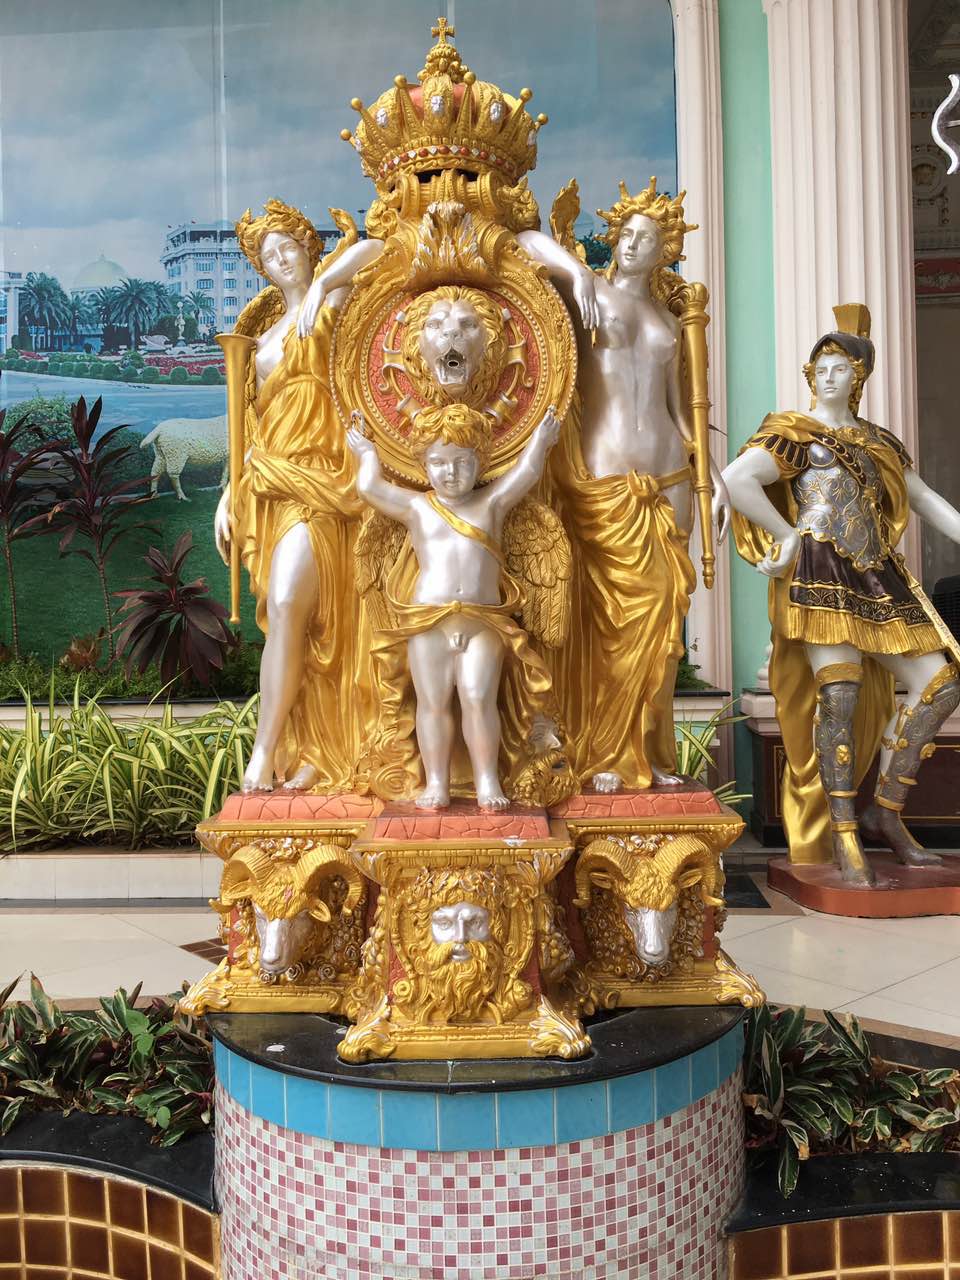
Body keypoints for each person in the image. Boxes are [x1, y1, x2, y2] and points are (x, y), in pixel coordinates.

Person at [723, 307, 960, 885]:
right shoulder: (793, 432)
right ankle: (844, 829)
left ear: (859, 377)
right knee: (840, 698)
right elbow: (736, 480)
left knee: (942, 682)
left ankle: (887, 811)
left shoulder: (880, 443)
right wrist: (786, 535)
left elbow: (924, 499)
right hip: (821, 574)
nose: (828, 376)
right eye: (821, 367)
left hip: (879, 578)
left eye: (841, 368)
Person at [518, 179, 729, 791]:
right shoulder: (590, 292)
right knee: (609, 623)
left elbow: (681, 410)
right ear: (613, 238)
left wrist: (711, 472)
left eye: (650, 238)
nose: (636, 244)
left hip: (672, 476)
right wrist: (573, 272)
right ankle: (606, 754)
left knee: (663, 622)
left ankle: (649, 753)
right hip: (607, 479)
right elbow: (524, 241)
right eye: (629, 234)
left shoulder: (669, 319)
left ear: (667, 251)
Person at [213, 199, 379, 792]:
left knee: (301, 608)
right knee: (296, 618)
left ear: (310, 248)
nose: (282, 259)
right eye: (269, 254)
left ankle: (272, 750)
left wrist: (327, 282)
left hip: (325, 478)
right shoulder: (260, 339)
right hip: (271, 482)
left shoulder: (332, 301)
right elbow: (251, 428)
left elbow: (380, 250)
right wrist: (229, 491)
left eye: (290, 246)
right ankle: (305, 748)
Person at [347, 402, 561, 809]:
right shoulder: (417, 507)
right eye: (439, 462)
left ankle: (487, 781)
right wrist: (366, 453)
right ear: (423, 466)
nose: (451, 472)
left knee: (478, 698)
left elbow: (526, 473)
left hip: (483, 622)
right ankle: (436, 783)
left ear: (480, 462)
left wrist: (542, 440)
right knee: (433, 703)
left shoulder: (492, 503)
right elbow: (370, 489)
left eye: (462, 462)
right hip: (429, 621)